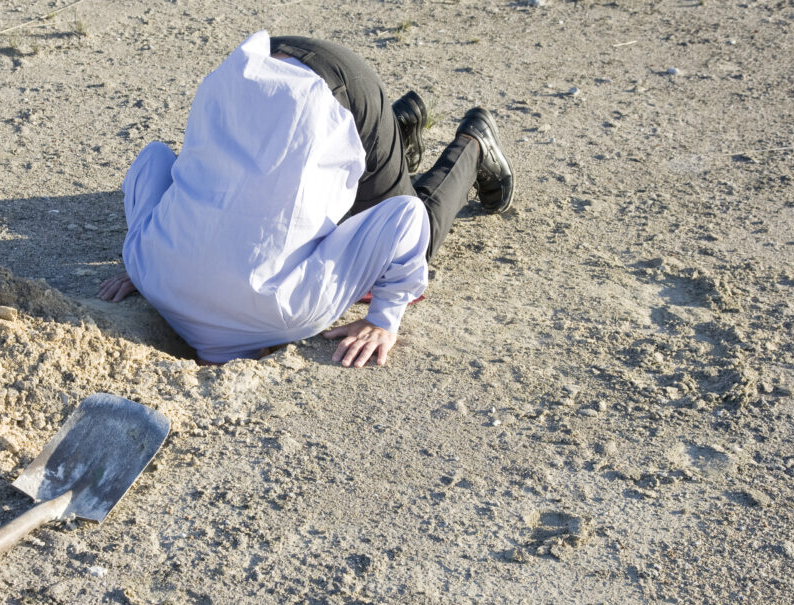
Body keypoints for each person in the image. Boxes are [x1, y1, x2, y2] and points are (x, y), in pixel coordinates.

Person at [99, 31, 513, 367]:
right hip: (256, 66)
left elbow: (404, 218)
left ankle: (473, 145)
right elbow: (152, 159)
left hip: (343, 90)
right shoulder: (144, 264)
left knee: (415, 239)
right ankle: (388, 136)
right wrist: (147, 256)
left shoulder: (292, 313)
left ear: (266, 352)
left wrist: (384, 319)